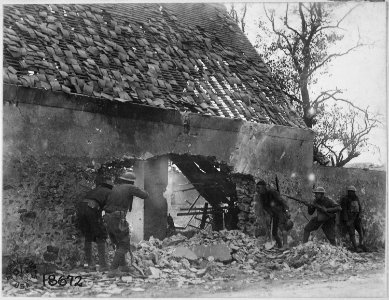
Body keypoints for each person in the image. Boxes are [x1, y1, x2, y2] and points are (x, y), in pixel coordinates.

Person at [104, 171, 149, 276]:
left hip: (108, 218)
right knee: (124, 243)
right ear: (131, 182)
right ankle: (113, 269)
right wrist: (136, 188)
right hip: (117, 218)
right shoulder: (130, 187)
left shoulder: (115, 188)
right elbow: (145, 195)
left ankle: (123, 266)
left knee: (119, 243)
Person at [76, 175, 113, 271]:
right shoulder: (110, 192)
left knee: (88, 235)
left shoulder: (96, 189)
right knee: (101, 235)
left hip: (80, 208)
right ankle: (103, 265)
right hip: (92, 208)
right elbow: (108, 208)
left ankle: (90, 264)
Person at [255, 180, 293, 249]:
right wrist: (269, 215)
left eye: (259, 188)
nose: (257, 190)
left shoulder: (272, 192)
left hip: (280, 212)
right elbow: (264, 208)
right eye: (257, 188)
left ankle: (285, 245)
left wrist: (287, 211)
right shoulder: (261, 197)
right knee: (274, 233)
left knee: (283, 228)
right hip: (274, 214)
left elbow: (282, 201)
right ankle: (280, 246)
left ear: (264, 187)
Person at [340, 186, 366, 252]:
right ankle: (356, 248)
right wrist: (346, 220)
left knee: (362, 231)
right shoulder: (345, 199)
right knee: (352, 233)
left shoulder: (356, 198)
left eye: (352, 192)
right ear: (348, 192)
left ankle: (361, 245)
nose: (351, 193)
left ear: (354, 192)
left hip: (357, 218)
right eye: (349, 191)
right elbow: (344, 210)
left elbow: (360, 208)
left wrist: (359, 215)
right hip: (350, 219)